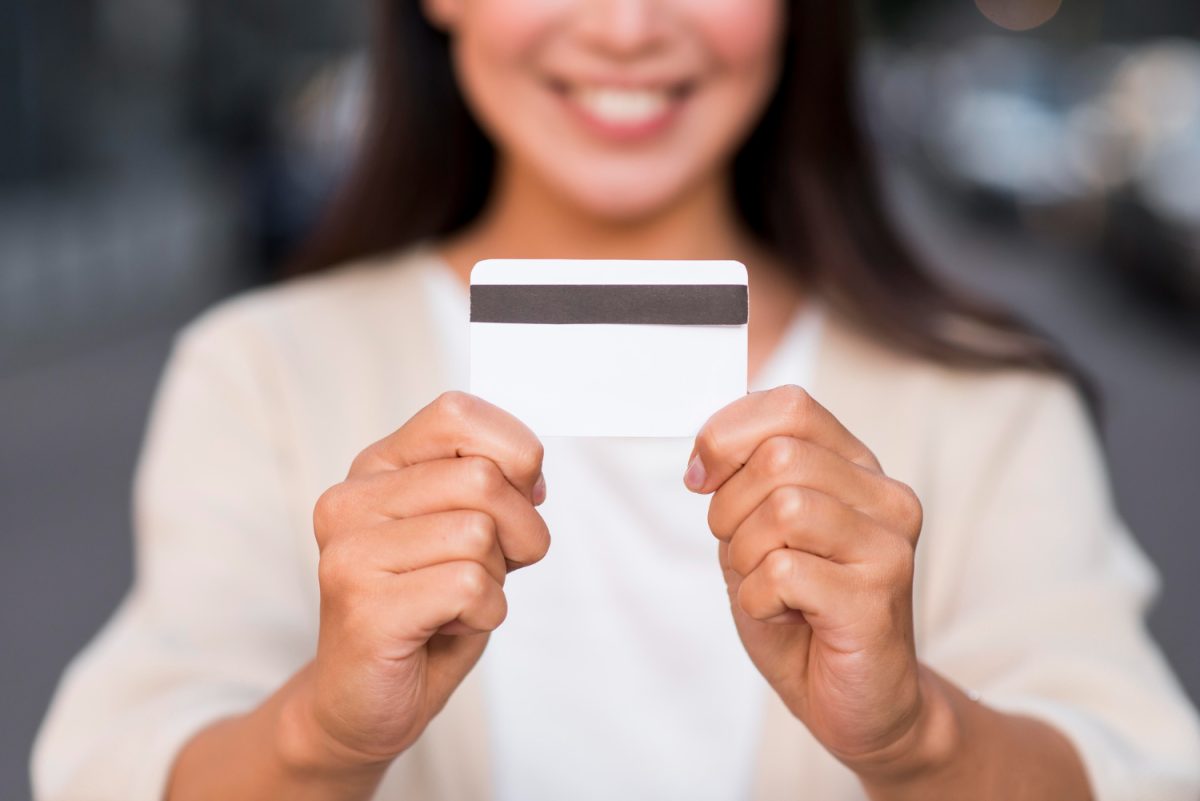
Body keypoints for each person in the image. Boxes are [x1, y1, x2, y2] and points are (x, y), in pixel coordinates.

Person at [32, 2, 1200, 800]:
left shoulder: (987, 403)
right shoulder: (262, 371)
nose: (631, 27)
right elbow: (118, 761)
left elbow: (1138, 767)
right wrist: (323, 731)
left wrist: (915, 734)